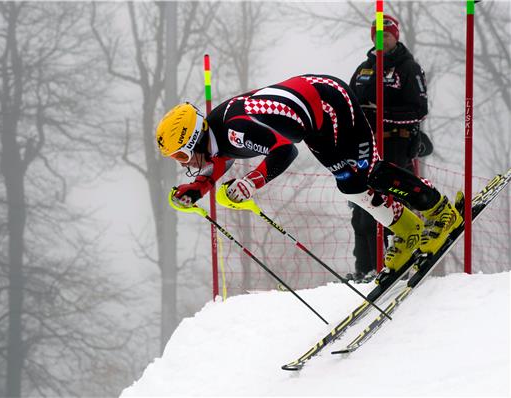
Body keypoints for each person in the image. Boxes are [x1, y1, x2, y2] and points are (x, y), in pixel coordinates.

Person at [155, 74, 461, 286]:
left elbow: (285, 151)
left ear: (194, 139)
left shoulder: (236, 128)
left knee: (370, 170)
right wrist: (197, 189)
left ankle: (440, 210)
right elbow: (220, 160)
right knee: (350, 185)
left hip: (330, 102)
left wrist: (252, 182)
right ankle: (408, 230)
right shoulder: (217, 136)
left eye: (182, 156)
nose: (184, 164)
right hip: (314, 125)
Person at [348, 15, 430, 282]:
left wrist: (382, 114)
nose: (383, 41)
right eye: (378, 36)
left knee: (394, 203)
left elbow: (419, 110)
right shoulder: (363, 69)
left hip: (396, 145)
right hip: (366, 147)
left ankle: (403, 261)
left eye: (388, 35)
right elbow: (348, 106)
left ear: (396, 36)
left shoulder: (408, 68)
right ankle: (366, 270)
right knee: (362, 207)